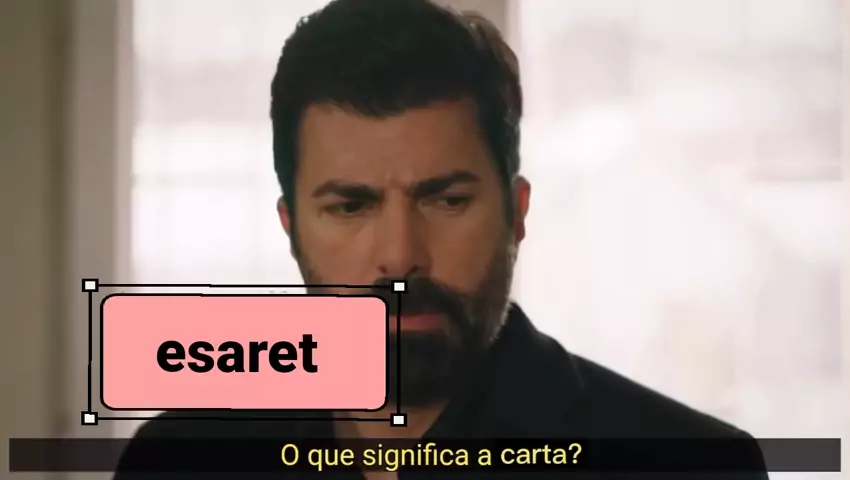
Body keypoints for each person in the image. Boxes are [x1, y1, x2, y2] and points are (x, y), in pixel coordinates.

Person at [115, 0, 767, 478]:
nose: (401, 256)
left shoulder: (688, 467)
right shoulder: (178, 463)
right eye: (351, 206)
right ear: (291, 229)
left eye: (447, 200)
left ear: (516, 214)